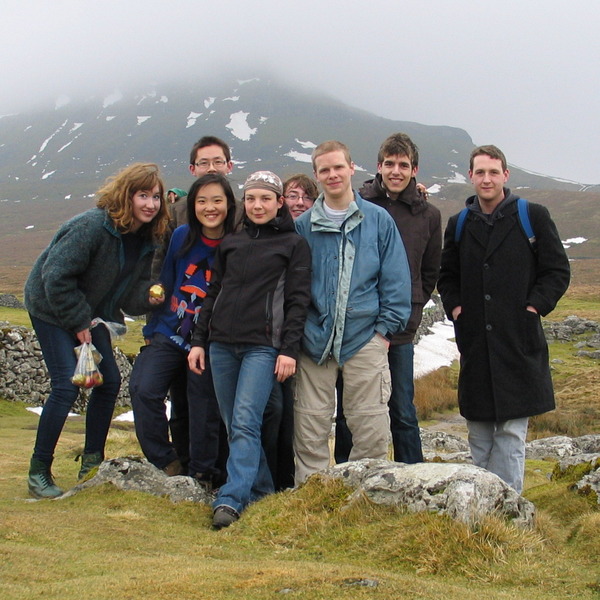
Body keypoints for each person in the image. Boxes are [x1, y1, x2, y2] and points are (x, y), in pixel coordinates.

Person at [24, 163, 169, 498]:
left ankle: (91, 462)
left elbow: (129, 299)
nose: (150, 204)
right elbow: (55, 278)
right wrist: (78, 323)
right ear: (125, 195)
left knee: (109, 382)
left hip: (91, 314)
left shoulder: (144, 238)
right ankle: (38, 471)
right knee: (66, 385)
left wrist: (150, 296)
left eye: (156, 197)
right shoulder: (90, 227)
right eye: (142, 195)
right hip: (50, 307)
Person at [437, 145, 570, 493]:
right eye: (480, 172)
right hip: (477, 344)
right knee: (478, 433)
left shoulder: (532, 216)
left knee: (511, 432)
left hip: (517, 341)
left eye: (493, 172)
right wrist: (457, 310)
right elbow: (446, 276)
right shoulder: (460, 223)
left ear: (505, 176)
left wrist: (533, 308)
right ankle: (481, 505)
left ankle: (507, 509)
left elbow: (556, 271)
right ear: (470, 176)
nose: (486, 179)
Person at [188, 171, 311, 529]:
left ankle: (230, 498)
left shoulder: (293, 244)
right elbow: (213, 294)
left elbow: (298, 301)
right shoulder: (232, 244)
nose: (258, 205)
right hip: (220, 345)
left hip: (263, 347)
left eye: (266, 198)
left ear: (278, 203)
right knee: (234, 425)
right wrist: (199, 341)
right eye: (252, 198)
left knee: (245, 420)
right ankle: (261, 491)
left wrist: (289, 350)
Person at [293, 141, 412, 484]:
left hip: (365, 339)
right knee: (309, 424)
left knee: (371, 424)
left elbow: (395, 281)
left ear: (351, 168)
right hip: (314, 339)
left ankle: (367, 494)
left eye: (338, 167)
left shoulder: (378, 221)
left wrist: (382, 334)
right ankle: (311, 496)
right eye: (324, 170)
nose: (332, 175)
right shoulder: (303, 227)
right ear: (317, 175)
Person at [334, 133, 442, 464]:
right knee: (350, 409)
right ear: (378, 167)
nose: (396, 171)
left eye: (403, 165)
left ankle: (412, 477)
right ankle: (341, 478)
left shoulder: (428, 215)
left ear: (415, 170)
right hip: (358, 326)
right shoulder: (357, 204)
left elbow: (429, 272)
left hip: (400, 330)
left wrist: (410, 308)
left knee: (402, 409)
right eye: (390, 164)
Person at [130, 174, 236, 486]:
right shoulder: (181, 236)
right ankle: (168, 462)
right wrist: (153, 327)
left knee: (203, 407)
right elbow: (165, 281)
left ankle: (203, 473)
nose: (210, 207)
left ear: (229, 204)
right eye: (202, 201)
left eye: (217, 200)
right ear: (192, 206)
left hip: (212, 342)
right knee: (143, 389)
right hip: (170, 332)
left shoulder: (238, 243)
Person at [152, 136, 234, 472]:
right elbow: (161, 267)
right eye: (204, 163)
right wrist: (153, 323)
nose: (212, 168)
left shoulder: (243, 213)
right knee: (181, 400)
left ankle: (215, 469)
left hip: (221, 332)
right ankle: (183, 464)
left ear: (229, 166)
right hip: (178, 326)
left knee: (212, 401)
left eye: (218, 162)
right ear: (192, 168)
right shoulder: (174, 215)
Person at [262, 173, 319, 491]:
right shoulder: (270, 233)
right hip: (274, 339)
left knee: (303, 415)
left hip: (307, 338)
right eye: (293, 195)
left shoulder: (316, 233)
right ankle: (276, 480)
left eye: (306, 197)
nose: (299, 202)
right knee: (277, 411)